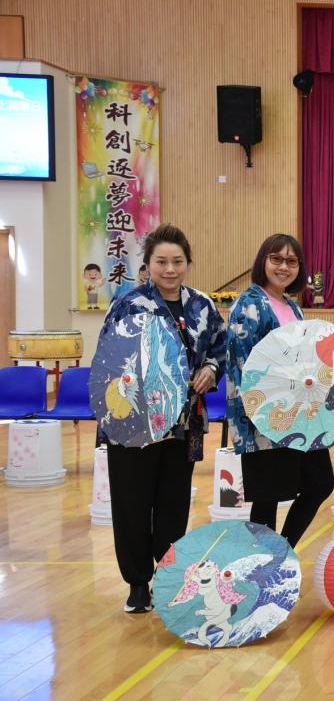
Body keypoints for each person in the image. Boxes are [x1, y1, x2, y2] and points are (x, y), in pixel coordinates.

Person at [99, 223, 227, 613]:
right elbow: (107, 359)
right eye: (161, 262)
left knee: (173, 502)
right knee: (131, 502)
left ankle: (167, 573)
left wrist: (211, 370)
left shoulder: (202, 305)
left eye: (177, 261)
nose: (170, 269)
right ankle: (138, 583)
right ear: (148, 264)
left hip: (183, 423)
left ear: (188, 262)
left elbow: (220, 349)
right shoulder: (129, 304)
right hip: (133, 423)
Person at [226, 234, 334, 548]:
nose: (283, 267)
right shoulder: (249, 304)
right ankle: (264, 564)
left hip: (300, 412)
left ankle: (281, 551)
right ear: (263, 260)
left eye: (291, 261)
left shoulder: (292, 307)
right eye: (276, 259)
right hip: (264, 414)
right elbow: (244, 365)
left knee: (320, 482)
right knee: (267, 497)